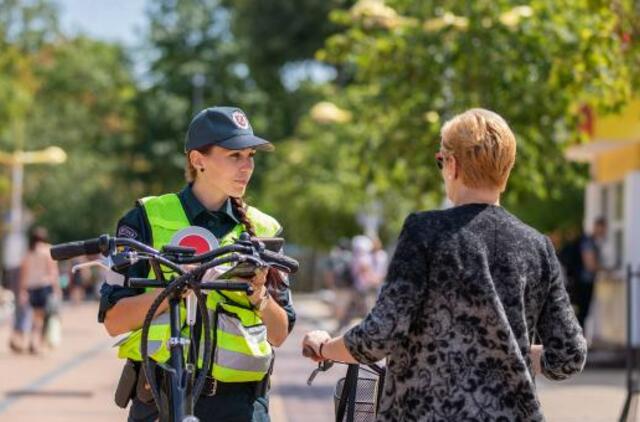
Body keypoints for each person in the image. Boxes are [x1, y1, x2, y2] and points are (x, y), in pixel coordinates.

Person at [303, 108, 587, 421]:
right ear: (507, 169)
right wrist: (508, 350)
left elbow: (380, 335)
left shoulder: (424, 233)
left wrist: (325, 347)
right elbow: (569, 356)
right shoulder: (537, 247)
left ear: (451, 164)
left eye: (441, 161)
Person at [98, 106, 296, 422]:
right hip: (162, 401)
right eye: (235, 156)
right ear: (197, 160)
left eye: (250, 156)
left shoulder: (264, 229)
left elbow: (280, 333)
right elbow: (113, 321)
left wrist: (258, 294)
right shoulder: (146, 219)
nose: (247, 166)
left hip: (242, 406)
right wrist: (174, 291)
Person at [17, 226, 61, 354]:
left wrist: (22, 290)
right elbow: (52, 271)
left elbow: (23, 273)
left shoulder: (28, 253)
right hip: (44, 286)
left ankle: (32, 339)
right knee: (40, 317)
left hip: (31, 287)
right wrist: (57, 288)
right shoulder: (47, 250)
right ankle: (37, 343)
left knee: (34, 316)